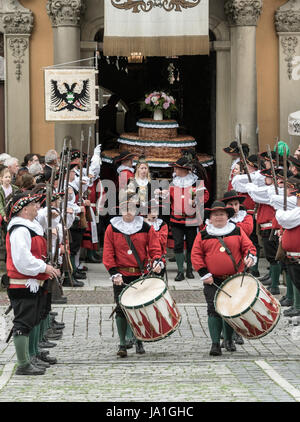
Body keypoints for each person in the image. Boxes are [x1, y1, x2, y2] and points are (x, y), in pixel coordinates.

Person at [191, 201, 256, 356]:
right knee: (213, 310)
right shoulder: (203, 234)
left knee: (231, 310)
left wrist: (250, 257)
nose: (218, 217)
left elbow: (249, 247)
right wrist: (204, 273)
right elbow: (196, 255)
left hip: (234, 279)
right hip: (212, 280)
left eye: (221, 214)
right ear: (211, 218)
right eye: (215, 214)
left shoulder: (237, 231)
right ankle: (215, 344)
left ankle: (228, 340)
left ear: (227, 216)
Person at [5, 192, 60, 375]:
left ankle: (32, 355)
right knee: (23, 323)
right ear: (24, 209)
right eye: (34, 205)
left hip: (32, 281)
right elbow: (23, 259)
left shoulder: (29, 226)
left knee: (34, 319)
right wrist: (43, 267)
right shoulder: (20, 230)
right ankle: (23, 363)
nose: (37, 207)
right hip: (22, 282)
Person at [102, 193, 163, 358]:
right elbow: (108, 253)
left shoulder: (145, 227)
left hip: (140, 274)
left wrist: (157, 261)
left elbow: (155, 247)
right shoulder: (112, 228)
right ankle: (122, 343)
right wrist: (114, 273)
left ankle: (139, 340)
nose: (127, 212)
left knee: (139, 309)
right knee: (121, 309)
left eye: (131, 208)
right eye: (124, 209)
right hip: (120, 275)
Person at [165, 156, 209, 281]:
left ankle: (189, 269)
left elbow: (205, 197)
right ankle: (180, 271)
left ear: (183, 169)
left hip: (192, 219)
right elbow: (168, 200)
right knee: (178, 245)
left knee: (191, 245)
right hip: (176, 219)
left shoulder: (196, 182)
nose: (174, 170)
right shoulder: (173, 183)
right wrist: (163, 195)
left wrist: (195, 200)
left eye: (176, 168)